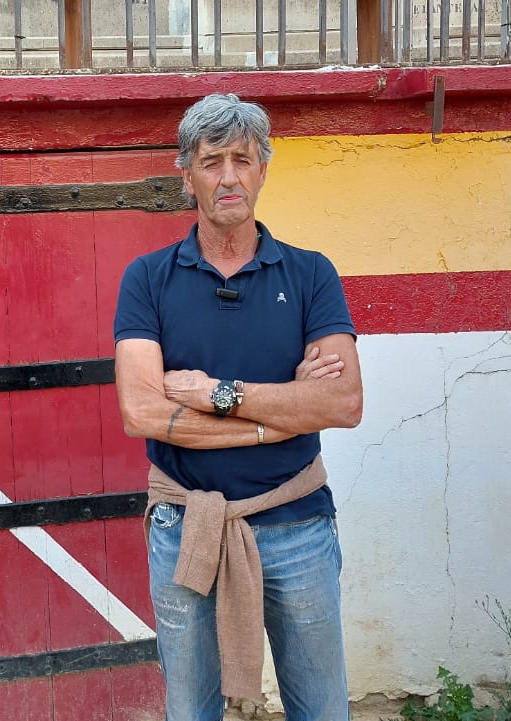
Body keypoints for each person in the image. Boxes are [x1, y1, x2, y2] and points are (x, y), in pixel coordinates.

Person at [112, 93, 364, 721]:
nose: (229, 177)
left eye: (243, 160)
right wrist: (279, 416)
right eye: (212, 161)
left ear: (263, 169)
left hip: (298, 524)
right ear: (187, 172)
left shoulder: (311, 275)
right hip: (183, 527)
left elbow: (344, 400)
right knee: (190, 710)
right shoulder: (147, 278)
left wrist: (216, 396)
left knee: (322, 708)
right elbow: (140, 413)